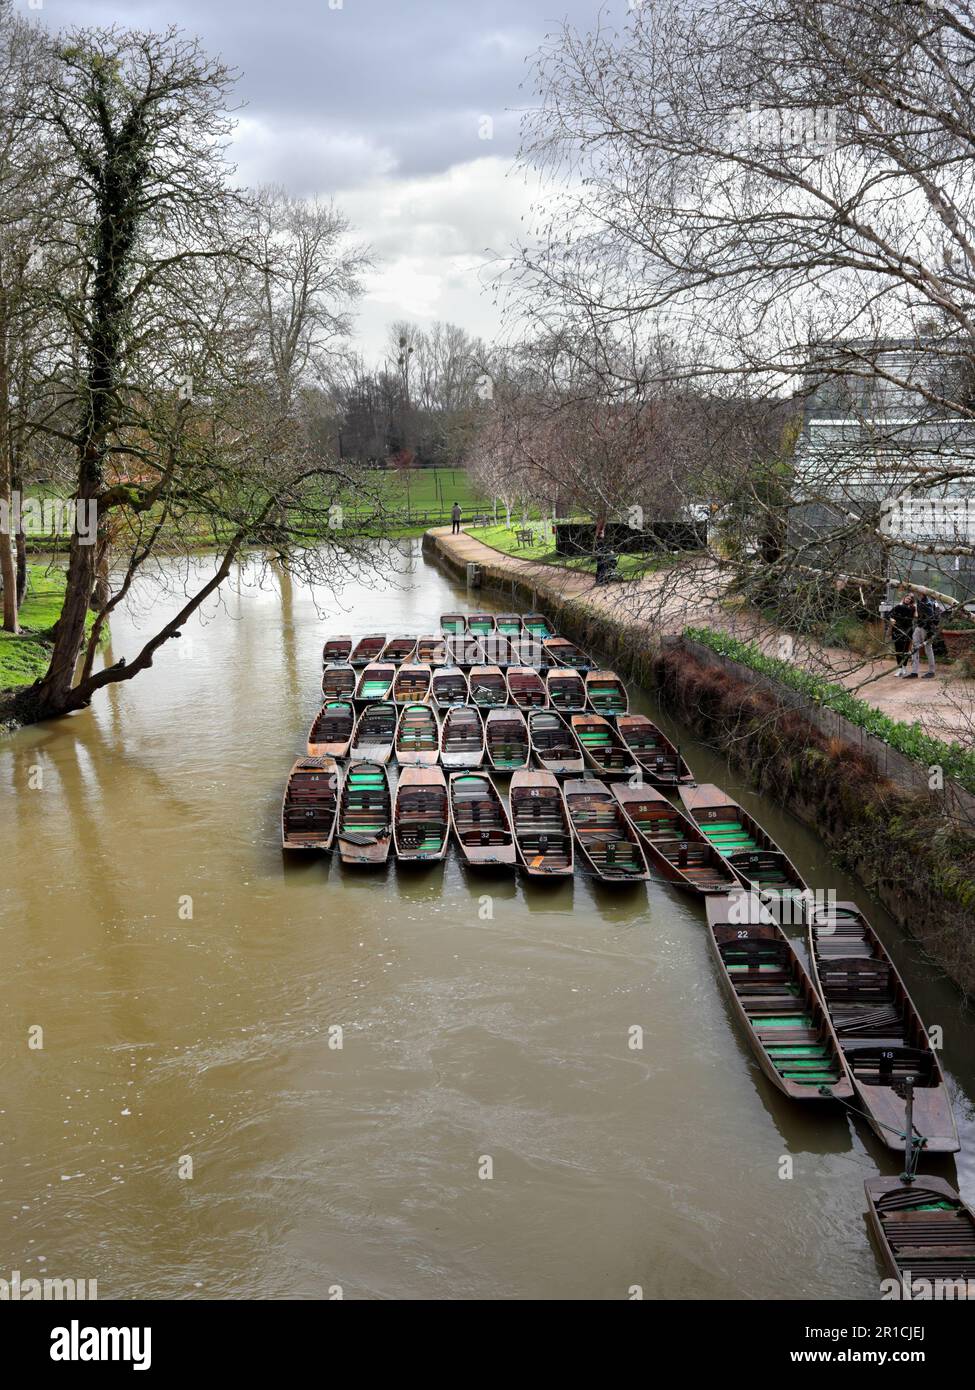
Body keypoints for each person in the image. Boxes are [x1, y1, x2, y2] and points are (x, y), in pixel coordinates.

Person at [911, 592, 940, 679]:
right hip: (919, 626)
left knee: (928, 648)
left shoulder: (930, 603)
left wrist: (930, 632)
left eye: (919, 593)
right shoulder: (920, 602)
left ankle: (931, 671)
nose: (917, 594)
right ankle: (914, 672)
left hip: (926, 628)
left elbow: (934, 619)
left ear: (923, 594)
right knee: (914, 647)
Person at [887, 591, 916, 676]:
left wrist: (902, 605)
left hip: (907, 631)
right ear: (904, 598)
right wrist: (891, 619)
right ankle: (899, 668)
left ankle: (904, 668)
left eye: (909, 599)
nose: (908, 600)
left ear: (911, 601)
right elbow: (888, 614)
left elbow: (912, 614)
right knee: (898, 650)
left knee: (906, 650)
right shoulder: (898, 607)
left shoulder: (911, 608)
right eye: (907, 598)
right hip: (897, 630)